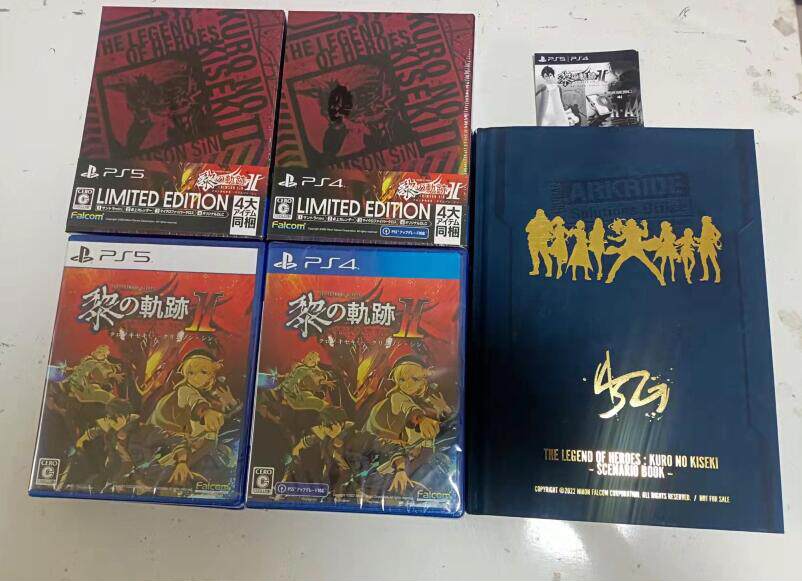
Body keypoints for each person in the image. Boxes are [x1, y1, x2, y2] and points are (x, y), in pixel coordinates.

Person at [605, 219, 666, 286]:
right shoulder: (632, 230)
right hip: (631, 249)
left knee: (618, 263)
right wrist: (645, 226)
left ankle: (609, 278)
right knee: (649, 264)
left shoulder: (631, 230)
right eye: (631, 223)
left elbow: (620, 239)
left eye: (631, 223)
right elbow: (645, 235)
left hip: (634, 249)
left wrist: (613, 238)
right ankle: (661, 279)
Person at [525, 209, 554, 277]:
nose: (539, 215)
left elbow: (551, 231)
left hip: (542, 242)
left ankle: (549, 271)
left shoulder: (546, 222)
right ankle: (536, 270)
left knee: (545, 256)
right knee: (535, 257)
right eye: (538, 213)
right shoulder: (533, 221)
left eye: (540, 214)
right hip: (533, 241)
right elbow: (527, 229)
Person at [696, 216, 722, 283]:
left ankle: (718, 276)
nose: (702, 222)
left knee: (713, 261)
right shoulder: (703, 227)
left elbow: (719, 234)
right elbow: (703, 238)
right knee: (704, 262)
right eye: (702, 221)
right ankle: (706, 276)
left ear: (706, 221)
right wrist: (698, 239)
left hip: (709, 246)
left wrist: (714, 240)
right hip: (703, 246)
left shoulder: (711, 227)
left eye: (703, 221)